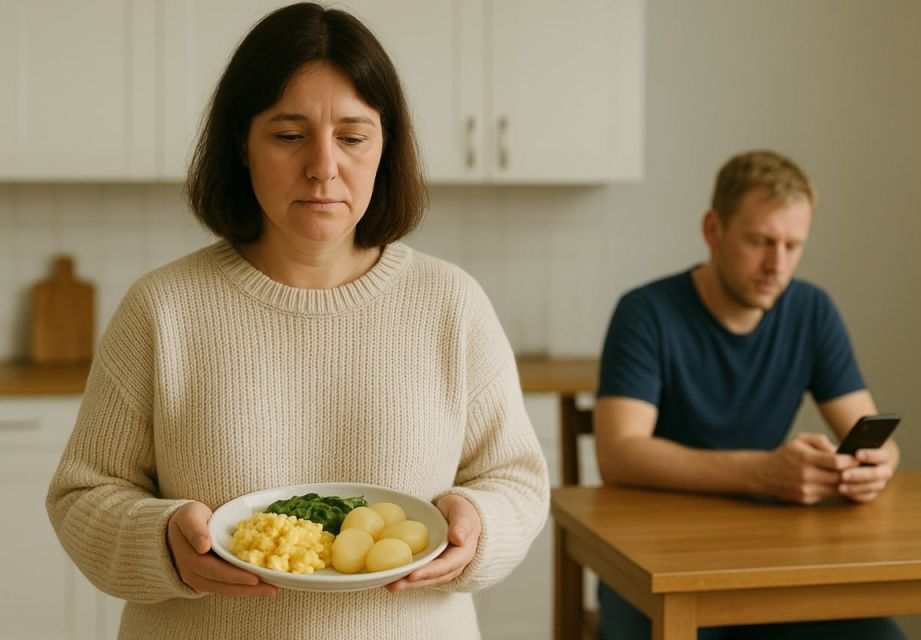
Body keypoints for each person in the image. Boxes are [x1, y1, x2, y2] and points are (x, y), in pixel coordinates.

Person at [46, 4, 549, 639]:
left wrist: (477, 523)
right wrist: (161, 542)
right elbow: (82, 497)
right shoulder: (161, 309)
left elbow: (517, 482)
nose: (323, 166)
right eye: (288, 135)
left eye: (353, 136)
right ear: (242, 144)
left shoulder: (452, 304)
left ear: (386, 147)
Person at [593, 150, 905, 640]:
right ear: (713, 230)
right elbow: (618, 454)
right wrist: (762, 472)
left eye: (792, 245)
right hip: (653, 564)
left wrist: (877, 464)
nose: (776, 265)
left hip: (771, 564)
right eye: (761, 241)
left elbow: (870, 433)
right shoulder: (645, 313)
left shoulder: (812, 311)